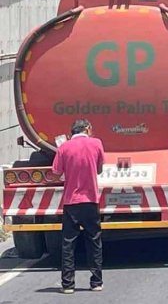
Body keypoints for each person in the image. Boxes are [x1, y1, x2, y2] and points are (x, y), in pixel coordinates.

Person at [52, 118, 105, 294]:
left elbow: (57, 172)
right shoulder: (96, 143)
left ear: (71, 132)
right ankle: (96, 282)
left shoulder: (64, 147)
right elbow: (99, 169)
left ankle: (68, 284)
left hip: (71, 201)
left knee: (68, 244)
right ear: (87, 129)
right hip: (90, 200)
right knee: (94, 241)